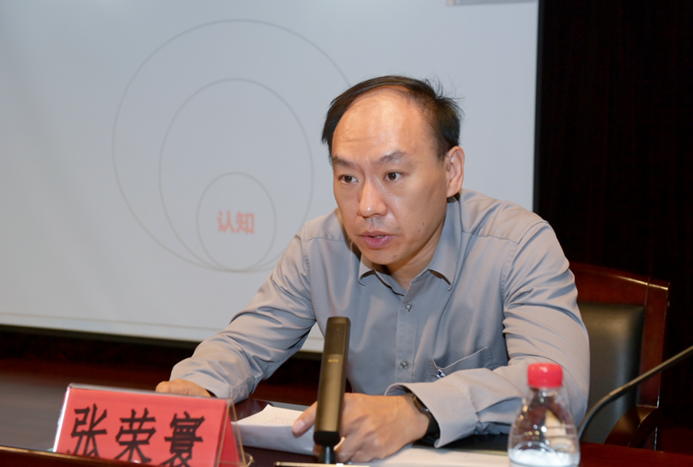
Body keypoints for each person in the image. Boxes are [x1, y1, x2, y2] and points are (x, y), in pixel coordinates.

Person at [156, 75, 590, 462]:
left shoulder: (518, 245)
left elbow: (558, 389)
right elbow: (243, 346)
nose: (366, 207)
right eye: (348, 178)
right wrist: (198, 388)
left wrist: (414, 411)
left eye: (393, 175)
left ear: (452, 171)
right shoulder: (319, 249)